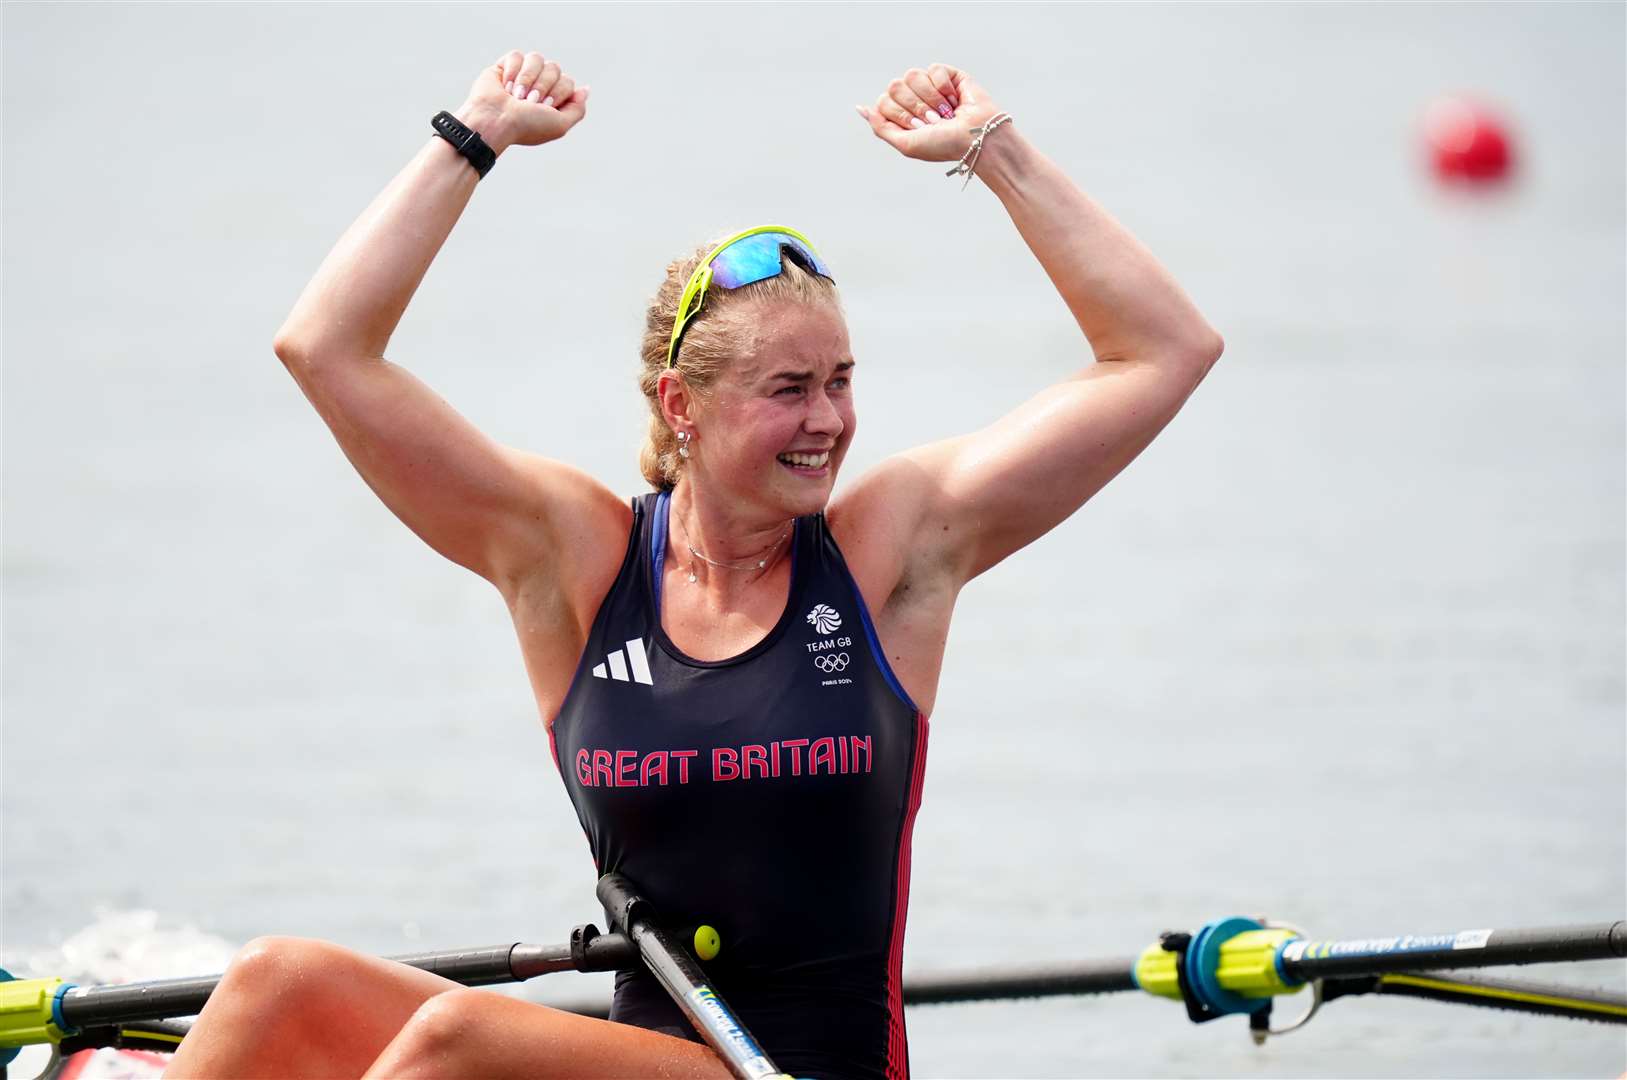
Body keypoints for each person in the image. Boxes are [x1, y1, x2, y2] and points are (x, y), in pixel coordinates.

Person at [166, 47, 1222, 1080]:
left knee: (459, 1044)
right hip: (644, 1056)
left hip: (809, 1065)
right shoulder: (575, 558)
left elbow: (1162, 351)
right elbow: (325, 348)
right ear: (683, 407)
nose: (829, 421)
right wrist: (474, 136)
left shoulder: (887, 548)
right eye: (789, 389)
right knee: (272, 982)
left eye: (841, 381)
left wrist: (992, 150)